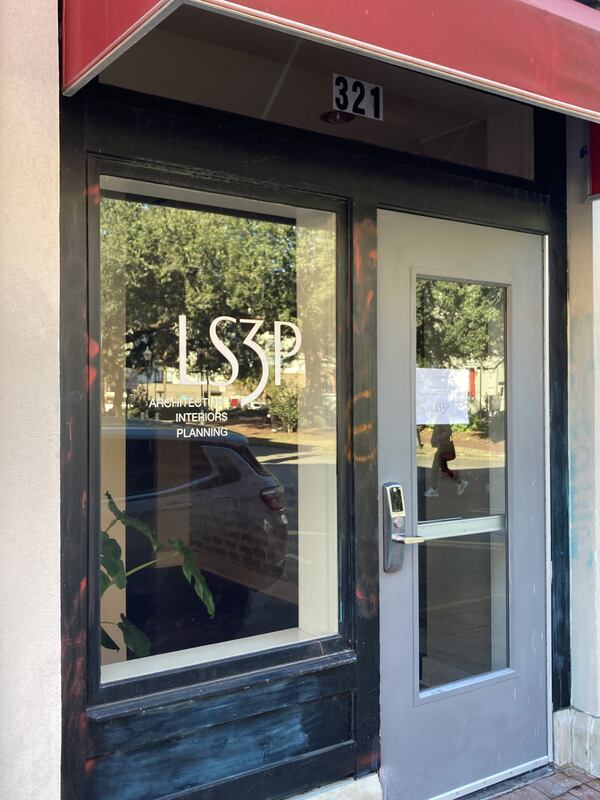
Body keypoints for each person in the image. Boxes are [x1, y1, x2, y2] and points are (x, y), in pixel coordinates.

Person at [424, 423, 468, 498]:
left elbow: (448, 431)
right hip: (441, 446)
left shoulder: (442, 418)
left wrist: (437, 439)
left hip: (442, 447)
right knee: (443, 469)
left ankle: (434, 489)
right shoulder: (440, 417)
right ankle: (460, 483)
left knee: (435, 468)